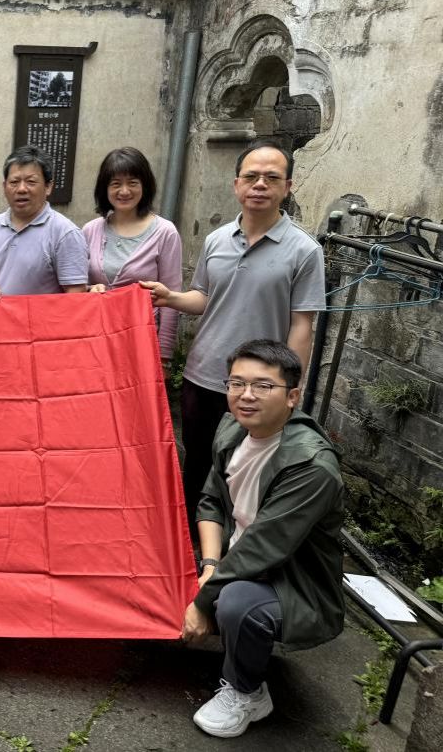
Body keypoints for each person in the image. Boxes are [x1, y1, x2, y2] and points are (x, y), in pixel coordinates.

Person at [142, 140, 325, 522]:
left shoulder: (304, 251)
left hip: (260, 386)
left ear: (287, 187)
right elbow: (204, 297)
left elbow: (302, 325)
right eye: (251, 176)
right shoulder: (216, 240)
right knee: (197, 462)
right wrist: (170, 297)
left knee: (246, 469)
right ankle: (194, 541)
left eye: (271, 178)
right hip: (204, 375)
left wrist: (289, 387)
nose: (260, 185)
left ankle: (234, 542)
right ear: (236, 184)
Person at [182, 339, 343, 738]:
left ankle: (247, 691)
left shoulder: (311, 465)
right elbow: (211, 500)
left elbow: (264, 548)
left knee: (237, 604)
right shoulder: (233, 430)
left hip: (290, 580)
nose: (246, 395)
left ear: (292, 397)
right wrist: (210, 565)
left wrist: (203, 600)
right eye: (236, 383)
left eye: (262, 386)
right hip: (235, 558)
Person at [82, 147, 182, 360]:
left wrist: (164, 355)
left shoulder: (165, 232)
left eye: (133, 183)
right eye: (116, 184)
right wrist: (90, 289)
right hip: (95, 341)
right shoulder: (90, 230)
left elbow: (171, 297)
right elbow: (78, 287)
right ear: (104, 188)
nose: (124, 191)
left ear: (145, 185)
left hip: (141, 344)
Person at [0, 145, 88, 299]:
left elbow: (76, 293)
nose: (21, 189)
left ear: (48, 187)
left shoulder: (65, 233)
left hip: (38, 315)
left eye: (31, 182)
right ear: (4, 187)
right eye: (14, 182)